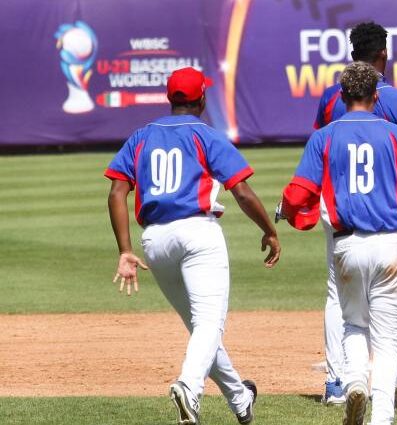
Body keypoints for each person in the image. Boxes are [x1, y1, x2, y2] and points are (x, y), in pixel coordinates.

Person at [280, 61, 397, 425]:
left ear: (342, 96)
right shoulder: (396, 134)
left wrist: (288, 211)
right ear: (376, 96)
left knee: (353, 324)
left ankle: (355, 380)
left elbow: (299, 193)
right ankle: (381, 417)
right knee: (389, 336)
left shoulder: (324, 136)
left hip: (347, 246)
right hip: (391, 244)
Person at [105, 67, 281, 425]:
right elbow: (242, 190)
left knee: (201, 329)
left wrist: (125, 249)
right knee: (208, 325)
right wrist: (269, 230)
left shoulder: (141, 136)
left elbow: (117, 192)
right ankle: (189, 386)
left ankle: (240, 399)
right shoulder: (206, 135)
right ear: (201, 99)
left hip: (155, 241)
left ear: (171, 99)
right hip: (199, 235)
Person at [313, 21, 397, 407]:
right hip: (389, 205)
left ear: (352, 55)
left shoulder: (331, 99)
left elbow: (322, 143)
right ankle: (396, 370)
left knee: (338, 294)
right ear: (384, 53)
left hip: (337, 202)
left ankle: (338, 382)